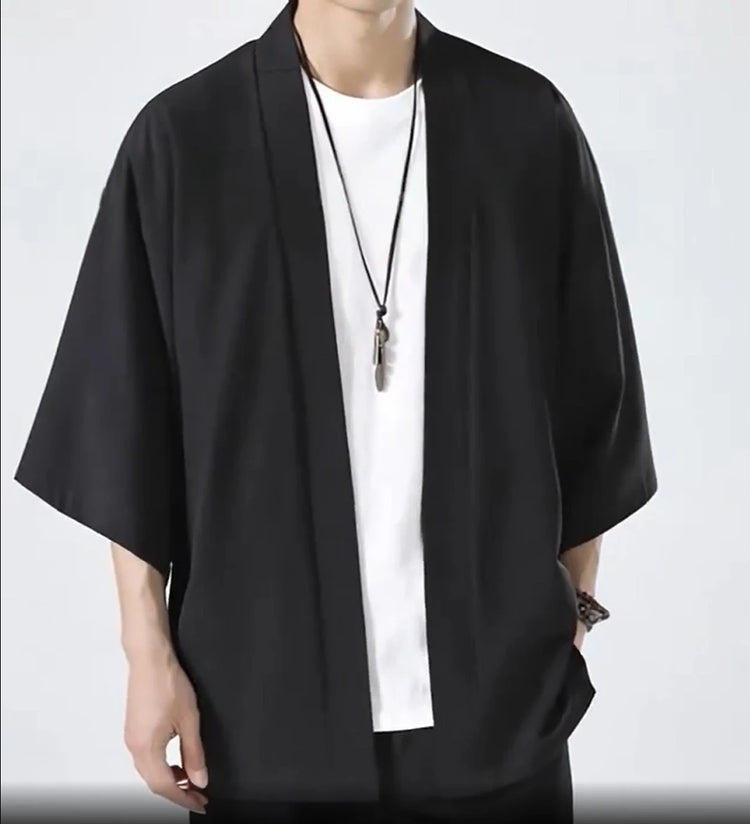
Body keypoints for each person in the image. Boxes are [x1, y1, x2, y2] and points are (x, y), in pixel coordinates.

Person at [14, 0, 657, 821]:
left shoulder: (527, 125)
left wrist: (573, 616)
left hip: (499, 720)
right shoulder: (185, 139)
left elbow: (595, 403)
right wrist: (146, 654)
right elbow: (124, 415)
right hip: (261, 716)